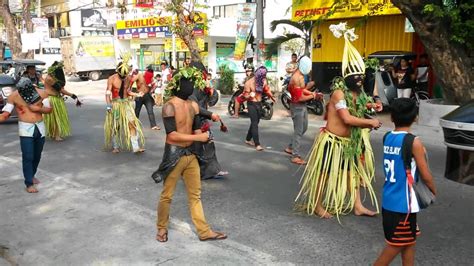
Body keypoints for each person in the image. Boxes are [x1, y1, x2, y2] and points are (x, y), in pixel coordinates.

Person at [295, 23, 382, 219]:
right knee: (323, 176)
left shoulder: (357, 93)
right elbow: (346, 117)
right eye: (356, 76)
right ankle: (317, 205)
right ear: (347, 76)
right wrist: (370, 123)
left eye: (362, 76)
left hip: (348, 145)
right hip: (332, 143)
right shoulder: (338, 93)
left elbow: (360, 107)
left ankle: (358, 206)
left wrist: (373, 106)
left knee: (353, 173)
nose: (360, 79)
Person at [152, 67, 227, 242]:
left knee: (195, 195)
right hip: (173, 155)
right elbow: (172, 135)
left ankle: (204, 231)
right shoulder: (169, 106)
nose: (191, 87)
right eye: (187, 83)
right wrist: (199, 137)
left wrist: (213, 119)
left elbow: (204, 115)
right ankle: (161, 228)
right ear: (178, 85)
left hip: (191, 155)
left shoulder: (192, 105)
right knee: (167, 195)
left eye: (191, 83)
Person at [374, 98, 437, 266]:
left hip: (390, 199)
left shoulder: (387, 137)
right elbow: (426, 174)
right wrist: (433, 190)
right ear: (415, 117)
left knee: (409, 241)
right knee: (396, 245)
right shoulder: (413, 141)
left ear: (392, 118)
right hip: (403, 205)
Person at [0, 78, 52, 193]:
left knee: (37, 155)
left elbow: (49, 110)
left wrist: (37, 108)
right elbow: (6, 114)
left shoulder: (42, 93)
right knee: (28, 156)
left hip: (40, 127)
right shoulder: (14, 96)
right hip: (25, 128)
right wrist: (2, 117)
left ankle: (32, 174)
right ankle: (29, 183)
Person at [189, 61, 229, 179]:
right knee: (194, 148)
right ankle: (193, 172)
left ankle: (211, 170)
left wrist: (212, 92)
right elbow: (194, 106)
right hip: (193, 121)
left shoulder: (202, 85)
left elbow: (211, 100)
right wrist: (210, 114)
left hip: (202, 119)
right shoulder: (189, 87)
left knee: (208, 145)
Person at [284, 56, 322, 165]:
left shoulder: (300, 75)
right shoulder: (296, 78)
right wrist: (313, 96)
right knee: (299, 130)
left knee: (303, 128)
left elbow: (302, 91)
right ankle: (295, 156)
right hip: (297, 106)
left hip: (301, 105)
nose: (310, 70)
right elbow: (299, 97)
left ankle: (291, 147)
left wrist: (311, 93)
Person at [104, 55, 145, 153]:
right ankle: (115, 146)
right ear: (117, 71)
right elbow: (107, 93)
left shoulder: (128, 78)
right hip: (116, 104)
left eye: (125, 75)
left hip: (126, 104)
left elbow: (128, 91)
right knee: (116, 126)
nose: (123, 77)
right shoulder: (112, 79)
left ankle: (135, 147)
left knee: (132, 124)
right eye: (121, 76)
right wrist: (109, 106)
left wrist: (137, 94)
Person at [43, 62, 81, 141]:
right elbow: (60, 89)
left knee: (55, 117)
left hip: (55, 98)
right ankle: (56, 135)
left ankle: (53, 134)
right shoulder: (50, 79)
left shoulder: (51, 77)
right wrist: (71, 95)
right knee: (56, 117)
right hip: (52, 99)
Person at [243, 66, 274, 151]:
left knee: (256, 122)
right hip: (251, 104)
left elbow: (267, 90)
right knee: (254, 123)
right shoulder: (248, 83)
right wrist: (249, 95)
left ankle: (248, 139)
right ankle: (257, 144)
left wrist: (272, 96)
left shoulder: (263, 81)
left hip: (259, 103)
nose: (263, 78)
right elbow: (244, 96)